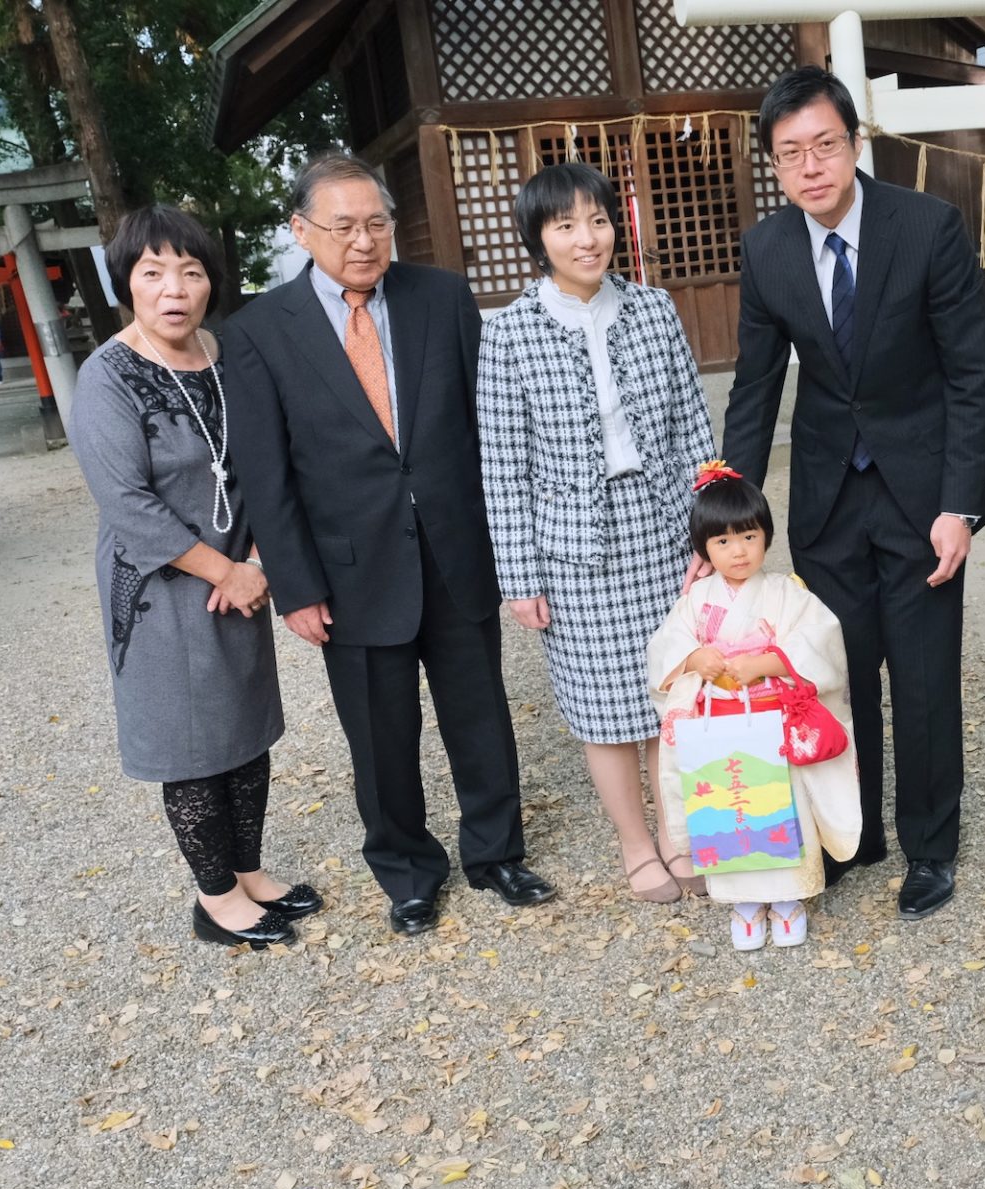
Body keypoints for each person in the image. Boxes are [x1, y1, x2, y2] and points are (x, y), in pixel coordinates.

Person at [224, 154, 555, 937]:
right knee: (380, 734)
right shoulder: (259, 332)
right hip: (348, 567)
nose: (364, 240)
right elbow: (266, 475)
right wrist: (297, 586)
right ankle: (407, 870)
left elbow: (489, 432)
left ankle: (496, 850)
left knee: (479, 712)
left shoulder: (440, 297)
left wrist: (511, 546)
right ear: (301, 231)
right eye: (342, 226)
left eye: (377, 223)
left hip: (454, 547)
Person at [723, 66, 985, 921]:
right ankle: (854, 834)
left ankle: (929, 844)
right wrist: (727, 508)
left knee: (922, 677)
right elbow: (755, 386)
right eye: (790, 153)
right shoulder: (768, 249)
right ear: (774, 163)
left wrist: (962, 505)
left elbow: (970, 376)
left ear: (854, 143)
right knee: (835, 675)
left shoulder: (927, 228)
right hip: (828, 496)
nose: (811, 167)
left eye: (825, 146)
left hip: (920, 495)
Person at [66, 205, 321, 948]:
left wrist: (260, 563)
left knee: (243, 725)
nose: (174, 287)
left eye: (190, 269)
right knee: (190, 739)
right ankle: (216, 899)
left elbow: (275, 458)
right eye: (153, 273)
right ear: (128, 284)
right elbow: (127, 504)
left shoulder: (226, 352)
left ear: (211, 281)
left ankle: (249, 873)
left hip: (240, 571)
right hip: (161, 588)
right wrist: (225, 570)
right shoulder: (107, 377)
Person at [478, 162, 717, 904]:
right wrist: (519, 577)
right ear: (537, 238)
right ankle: (636, 842)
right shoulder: (510, 333)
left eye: (599, 220)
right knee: (603, 706)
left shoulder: (654, 309)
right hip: (574, 546)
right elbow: (501, 463)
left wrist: (709, 536)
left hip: (664, 529)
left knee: (672, 692)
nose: (588, 238)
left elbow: (694, 428)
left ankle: (681, 833)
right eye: (565, 224)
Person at [648, 466, 861, 949]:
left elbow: (821, 642)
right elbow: (665, 652)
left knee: (781, 810)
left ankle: (788, 900)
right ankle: (744, 904)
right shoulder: (695, 601)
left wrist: (767, 661)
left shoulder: (788, 593)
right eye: (722, 542)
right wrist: (694, 658)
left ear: (766, 535)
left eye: (748, 536)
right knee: (732, 813)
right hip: (720, 725)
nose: (739, 551)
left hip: (774, 722)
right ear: (703, 549)